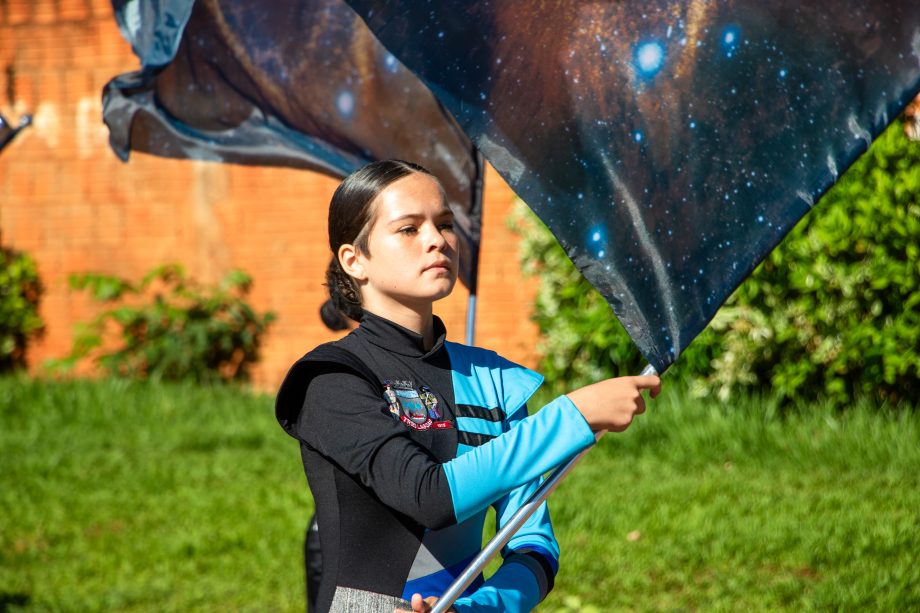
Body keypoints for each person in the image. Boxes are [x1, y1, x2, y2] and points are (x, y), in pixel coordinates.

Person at [276, 160, 661, 612]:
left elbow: (535, 546)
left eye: (443, 224)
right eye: (408, 229)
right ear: (353, 259)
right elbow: (429, 495)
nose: (437, 239)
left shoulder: (492, 379)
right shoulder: (330, 378)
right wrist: (571, 417)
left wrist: (477, 608)